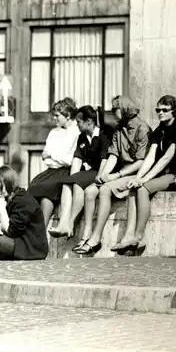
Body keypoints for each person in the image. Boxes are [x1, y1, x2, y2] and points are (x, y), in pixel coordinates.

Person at [112, 95, 176, 256]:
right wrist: (137, 178)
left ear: (174, 112)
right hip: (165, 173)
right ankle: (128, 236)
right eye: (158, 109)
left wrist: (144, 180)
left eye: (164, 110)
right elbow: (151, 156)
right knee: (134, 188)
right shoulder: (159, 130)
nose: (160, 113)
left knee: (143, 189)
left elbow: (166, 158)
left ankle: (138, 237)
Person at [76, 96, 152, 254]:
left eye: (115, 109)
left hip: (137, 173)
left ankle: (96, 238)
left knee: (104, 190)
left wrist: (116, 175)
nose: (112, 112)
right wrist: (103, 174)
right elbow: (113, 155)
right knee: (90, 191)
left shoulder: (142, 129)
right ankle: (86, 235)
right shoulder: (119, 129)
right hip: (121, 172)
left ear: (124, 109)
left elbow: (140, 162)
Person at [48, 106, 114, 253]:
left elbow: (105, 160)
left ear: (89, 121)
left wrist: (99, 179)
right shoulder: (82, 137)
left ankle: (71, 224)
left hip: (102, 172)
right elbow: (77, 160)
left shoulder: (103, 134)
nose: (76, 124)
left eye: (79, 121)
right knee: (68, 182)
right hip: (90, 172)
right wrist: (71, 178)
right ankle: (64, 223)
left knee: (77, 184)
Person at [28, 98, 80, 227]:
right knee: (33, 185)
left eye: (57, 115)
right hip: (52, 170)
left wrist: (52, 155)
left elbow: (70, 160)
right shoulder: (54, 132)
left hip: (68, 171)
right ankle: (30, 227)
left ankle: (42, 228)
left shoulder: (77, 132)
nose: (54, 119)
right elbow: (45, 157)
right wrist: (54, 157)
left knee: (48, 189)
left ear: (67, 115)